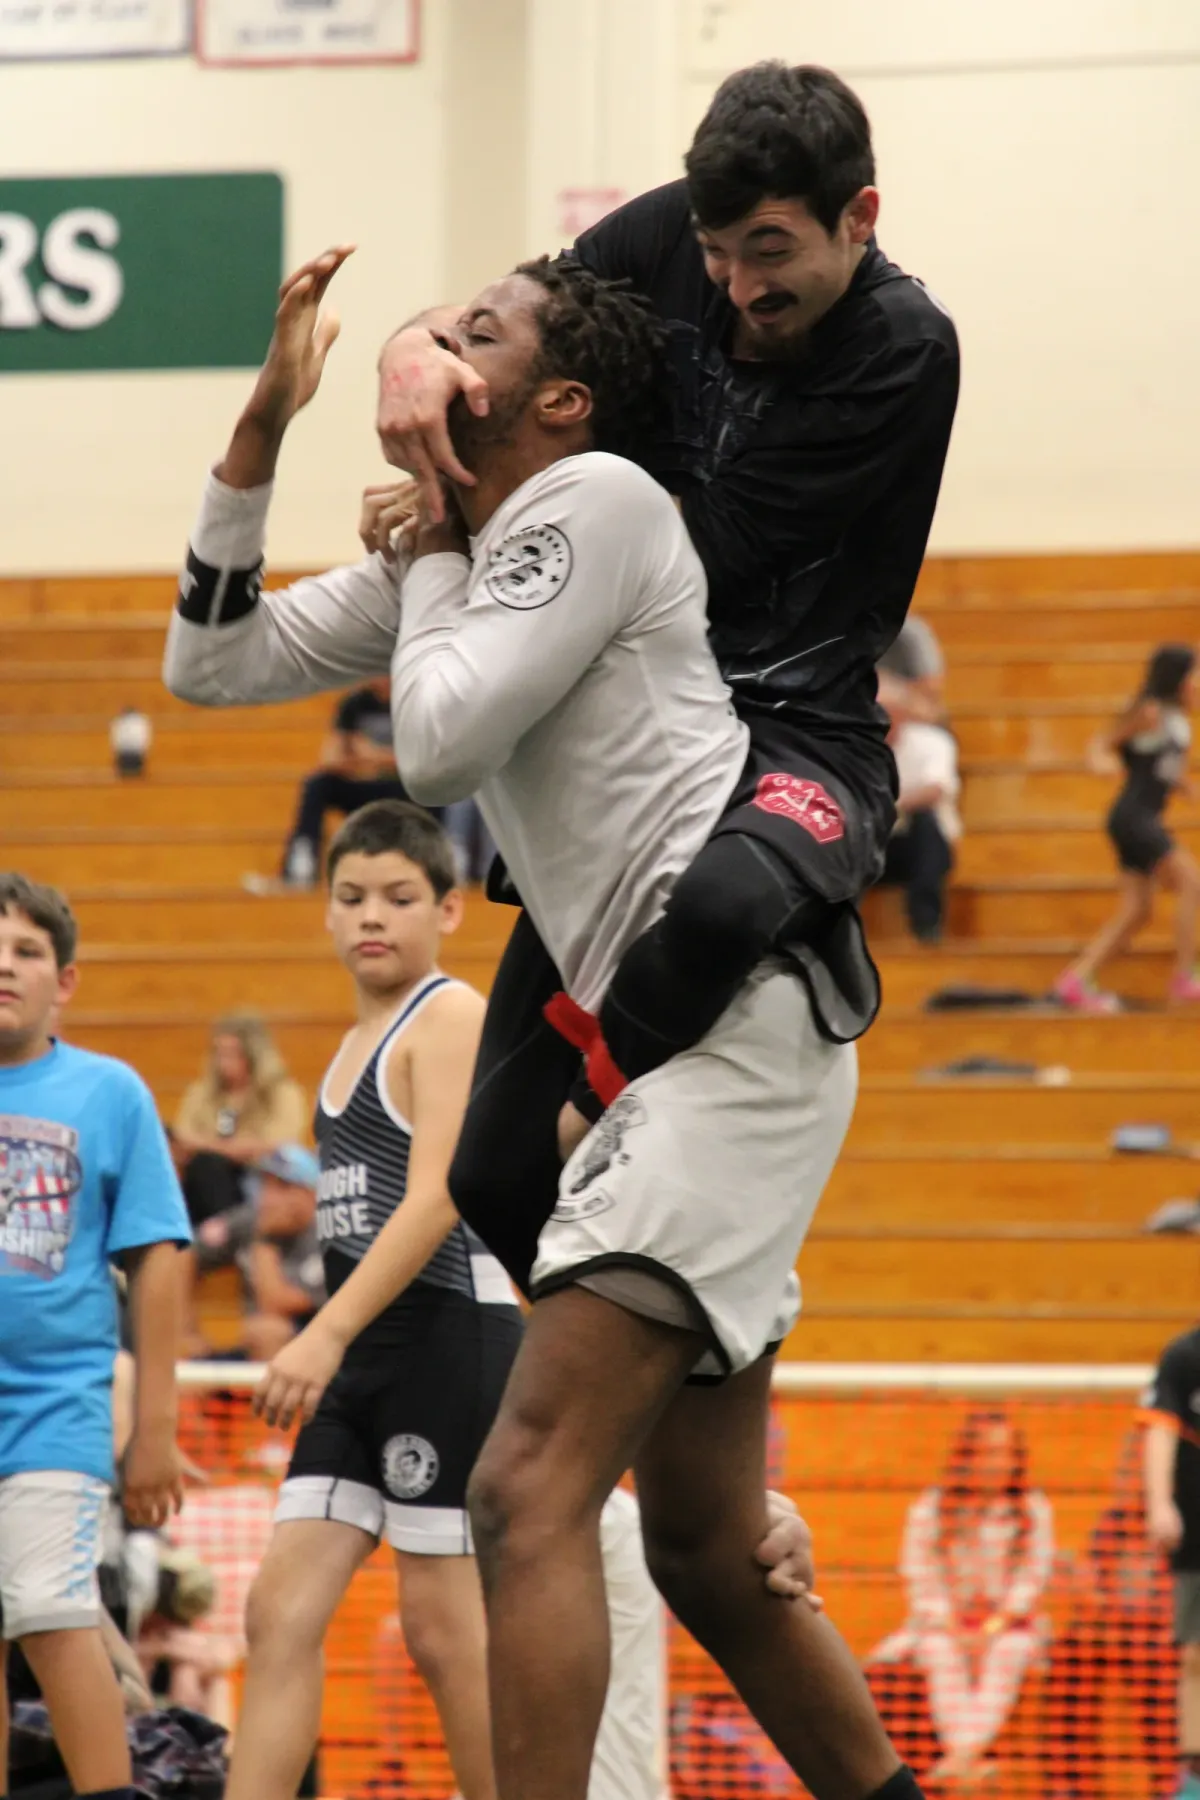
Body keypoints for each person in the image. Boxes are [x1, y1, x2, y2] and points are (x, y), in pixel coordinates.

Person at [162, 244, 878, 1800]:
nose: (436, 338)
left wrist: (430, 543)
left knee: (524, 1485)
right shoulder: (471, 554)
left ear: (556, 403)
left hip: (727, 1041)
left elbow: (433, 749)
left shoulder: (595, 499)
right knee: (705, 1548)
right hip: (669, 1066)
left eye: (479, 330)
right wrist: (262, 429)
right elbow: (208, 663)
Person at [373, 59, 959, 1129]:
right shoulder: (663, 232)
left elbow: (710, 557)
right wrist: (410, 349)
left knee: (723, 906)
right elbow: (504, 329)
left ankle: (599, 1112)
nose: (737, 287)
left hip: (793, 730)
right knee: (489, 1172)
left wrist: (470, 510)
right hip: (645, 711)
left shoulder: (901, 347)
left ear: (859, 217)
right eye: (715, 252)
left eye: (770, 251)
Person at [0, 870, 191, 1800]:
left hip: (56, 1408)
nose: (5, 966)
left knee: (47, 1608)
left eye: (27, 950)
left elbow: (158, 1258)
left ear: (65, 981)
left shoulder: (108, 1092)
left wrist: (153, 1430)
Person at [868, 1410, 1055, 1785]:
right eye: (987, 1453)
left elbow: (1033, 1576)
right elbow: (920, 1575)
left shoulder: (1033, 1508)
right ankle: (969, 1760)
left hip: (1009, 1628)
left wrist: (992, 1629)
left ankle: (960, 1757)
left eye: (1005, 1453)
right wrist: (954, 1628)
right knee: (938, 1652)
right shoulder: (931, 1507)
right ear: (966, 1458)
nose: (996, 1464)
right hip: (943, 1627)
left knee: (1010, 1652)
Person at [1054, 644, 1198, 1012]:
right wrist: (1101, 762)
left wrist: (1187, 788)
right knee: (1192, 882)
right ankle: (1186, 975)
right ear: (1179, 678)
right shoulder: (1149, 712)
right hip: (1133, 817)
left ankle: (1076, 979)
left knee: (1137, 910)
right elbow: (1101, 742)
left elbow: (1163, 769)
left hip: (1140, 817)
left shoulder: (1177, 721)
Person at [256, 676, 410, 891]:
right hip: (362, 784)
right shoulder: (354, 703)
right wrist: (374, 760)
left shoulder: (412, 704)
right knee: (317, 784)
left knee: (437, 790)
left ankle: (445, 857)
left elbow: (421, 760)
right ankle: (301, 866)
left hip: (402, 788)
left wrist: (373, 755)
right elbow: (330, 759)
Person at [173, 1012, 310, 1226]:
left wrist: (213, 1146)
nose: (223, 1062)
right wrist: (231, 1148)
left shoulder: (282, 1093)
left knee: (214, 1164)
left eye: (232, 1054)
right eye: (219, 1053)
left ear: (253, 1056)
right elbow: (182, 1138)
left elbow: (279, 1146)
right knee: (205, 1167)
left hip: (257, 1177)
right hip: (206, 1177)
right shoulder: (201, 1092)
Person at [1141, 1324, 1200, 1799]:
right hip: (1197, 1532)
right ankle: (1194, 1778)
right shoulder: (1185, 1354)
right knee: (1196, 1655)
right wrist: (1159, 1502)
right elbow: (1160, 1429)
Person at [879, 690, 961, 943]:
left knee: (925, 822)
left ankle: (927, 929)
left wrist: (889, 805)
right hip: (872, 843)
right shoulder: (852, 748)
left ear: (902, 714)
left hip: (919, 842)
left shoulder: (932, 742)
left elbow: (934, 790)